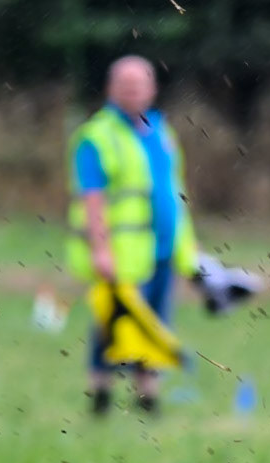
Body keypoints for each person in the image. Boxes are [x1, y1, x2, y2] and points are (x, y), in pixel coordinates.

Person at [66, 55, 199, 415]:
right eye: (125, 85)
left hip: (163, 247)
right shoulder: (98, 135)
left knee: (156, 324)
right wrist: (100, 249)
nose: (132, 92)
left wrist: (188, 250)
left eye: (139, 85)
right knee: (115, 326)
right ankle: (101, 393)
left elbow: (173, 190)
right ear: (111, 89)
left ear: (152, 89)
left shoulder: (161, 131)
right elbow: (91, 197)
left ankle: (148, 395)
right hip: (122, 251)